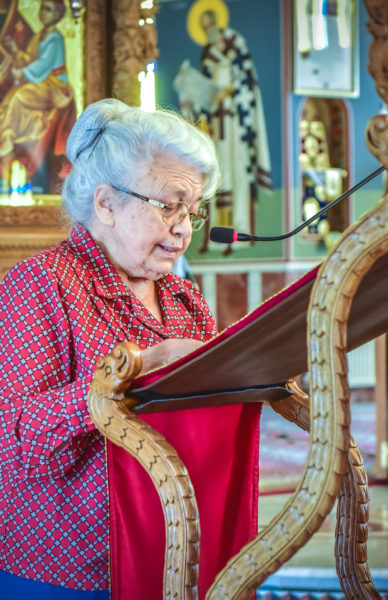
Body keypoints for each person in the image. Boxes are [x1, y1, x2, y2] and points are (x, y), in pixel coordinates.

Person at [0, 99, 262, 599]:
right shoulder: (42, 284)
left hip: (175, 555)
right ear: (106, 204)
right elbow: (17, 441)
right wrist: (131, 374)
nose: (184, 227)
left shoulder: (184, 299)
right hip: (71, 572)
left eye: (193, 210)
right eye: (169, 205)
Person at [175, 4, 272, 253]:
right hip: (218, 123)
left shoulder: (234, 41)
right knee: (216, 175)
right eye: (203, 26)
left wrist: (227, 92)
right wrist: (190, 87)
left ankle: (240, 230)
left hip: (236, 122)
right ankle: (216, 237)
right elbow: (205, 91)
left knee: (237, 173)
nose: (207, 29)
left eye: (208, 23)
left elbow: (245, 76)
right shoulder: (208, 52)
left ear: (216, 21)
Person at [0, 0, 76, 189]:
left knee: (18, 97)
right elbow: (32, 60)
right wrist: (16, 52)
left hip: (55, 86)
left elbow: (42, 66)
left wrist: (23, 71)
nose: (43, 13)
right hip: (42, 81)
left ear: (58, 15)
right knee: (10, 99)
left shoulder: (55, 38)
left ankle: (8, 139)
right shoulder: (39, 35)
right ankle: (7, 137)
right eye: (42, 8)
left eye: (48, 10)